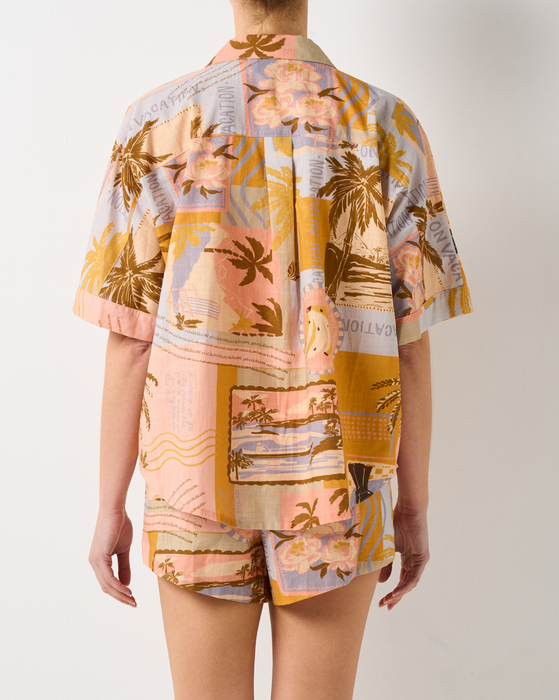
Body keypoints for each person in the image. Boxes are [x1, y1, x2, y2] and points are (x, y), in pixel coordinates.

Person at [72, 0, 472, 697]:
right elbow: (410, 343)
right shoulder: (388, 124)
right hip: (340, 478)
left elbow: (131, 341)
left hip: (193, 479)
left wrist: (110, 505)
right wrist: (412, 505)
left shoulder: (157, 123)